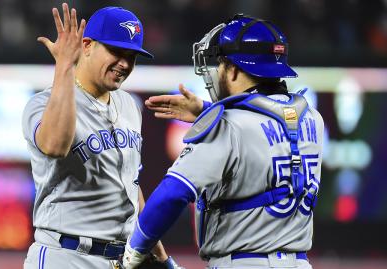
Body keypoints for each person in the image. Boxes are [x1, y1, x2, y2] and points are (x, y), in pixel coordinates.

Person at [122, 14, 324, 269]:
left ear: (235, 69)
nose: (217, 71)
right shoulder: (312, 118)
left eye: (221, 64)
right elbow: (263, 122)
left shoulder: (226, 125)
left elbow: (172, 194)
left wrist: (134, 250)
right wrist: (207, 110)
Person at [22, 3, 184, 269]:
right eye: (116, 52)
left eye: (132, 56)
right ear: (86, 45)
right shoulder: (41, 104)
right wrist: (64, 64)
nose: (124, 64)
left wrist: (159, 254)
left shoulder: (129, 105)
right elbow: (54, 145)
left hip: (120, 259)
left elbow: (131, 185)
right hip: (65, 255)